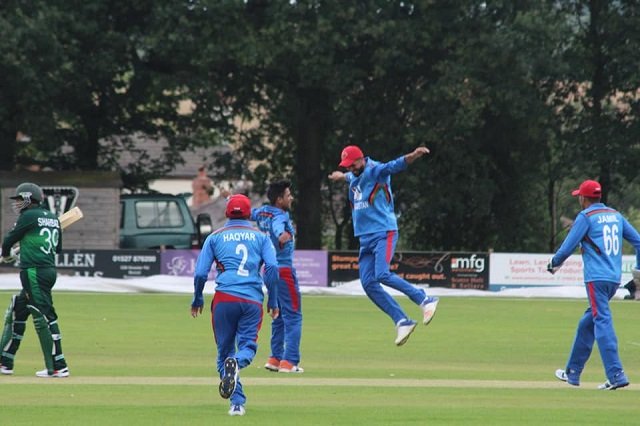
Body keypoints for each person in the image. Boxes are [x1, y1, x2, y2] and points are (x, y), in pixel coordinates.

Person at [328, 145, 439, 346]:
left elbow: (395, 165)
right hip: (364, 237)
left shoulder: (375, 170)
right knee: (368, 283)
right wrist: (339, 176)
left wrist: (413, 156)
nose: (350, 169)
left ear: (361, 160)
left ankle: (424, 299)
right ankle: (402, 320)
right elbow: (349, 177)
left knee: (381, 274)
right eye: (347, 166)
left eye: (352, 165)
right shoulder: (353, 175)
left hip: (383, 232)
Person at [190, 194, 280, 416]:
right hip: (251, 301)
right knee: (248, 346)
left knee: (223, 354)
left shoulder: (215, 237)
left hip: (224, 300)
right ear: (249, 214)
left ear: (226, 213)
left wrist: (198, 298)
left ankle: (237, 403)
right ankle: (237, 364)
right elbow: (272, 268)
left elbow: (201, 273)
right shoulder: (261, 237)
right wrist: (274, 300)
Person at [549, 179, 640, 390]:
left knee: (602, 321)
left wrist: (553, 264)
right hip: (613, 279)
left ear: (583, 198)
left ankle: (616, 375)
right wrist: (638, 268)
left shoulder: (586, 216)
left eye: (579, 196)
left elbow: (567, 247)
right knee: (587, 321)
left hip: (596, 279)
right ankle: (572, 372)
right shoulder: (616, 215)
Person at [0, 182, 69, 378]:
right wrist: (23, 249)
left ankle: (57, 365)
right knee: (17, 310)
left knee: (44, 315)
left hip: (34, 271)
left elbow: (9, 239)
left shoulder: (28, 216)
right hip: (46, 270)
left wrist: (6, 254)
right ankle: (5, 361)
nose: (18, 204)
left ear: (30, 199)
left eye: (21, 199)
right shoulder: (53, 218)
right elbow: (57, 249)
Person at [251, 179, 303, 373]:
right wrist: (281, 235)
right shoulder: (281, 215)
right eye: (288, 195)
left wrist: (228, 198)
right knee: (294, 315)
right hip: (284, 270)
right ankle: (290, 362)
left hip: (268, 270)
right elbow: (278, 227)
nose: (291, 198)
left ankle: (274, 359)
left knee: (278, 314)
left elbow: (246, 212)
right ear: (280, 199)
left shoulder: (262, 211)